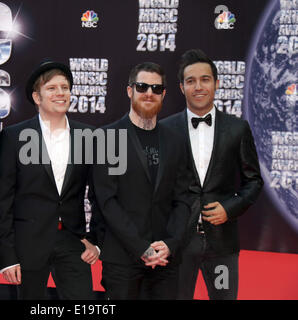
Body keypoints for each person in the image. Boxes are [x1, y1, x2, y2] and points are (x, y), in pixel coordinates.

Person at [162, 49, 263, 300]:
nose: (198, 86)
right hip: (178, 244)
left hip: (222, 245)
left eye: (205, 79)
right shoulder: (165, 129)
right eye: (191, 81)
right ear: (181, 87)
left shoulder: (237, 129)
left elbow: (254, 181)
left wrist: (230, 208)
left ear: (216, 84)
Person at [0, 60, 101, 299]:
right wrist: (7, 256)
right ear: (37, 97)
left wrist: (95, 240)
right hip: (28, 244)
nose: (60, 93)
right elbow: (3, 199)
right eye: (52, 88)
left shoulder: (88, 136)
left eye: (65, 87)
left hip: (73, 242)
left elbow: (100, 194)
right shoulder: (15, 136)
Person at [92, 62, 191, 300]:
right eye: (142, 86)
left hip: (165, 258)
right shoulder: (107, 137)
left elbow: (184, 198)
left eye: (156, 88)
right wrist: (140, 247)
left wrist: (171, 243)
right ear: (129, 90)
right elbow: (106, 201)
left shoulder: (176, 140)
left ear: (164, 94)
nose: (149, 93)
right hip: (122, 257)